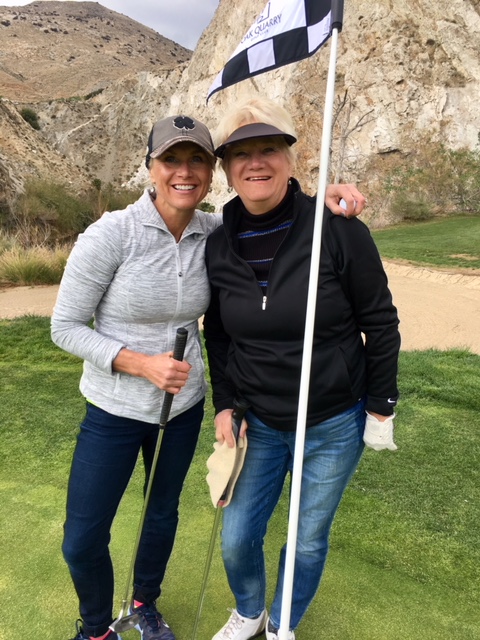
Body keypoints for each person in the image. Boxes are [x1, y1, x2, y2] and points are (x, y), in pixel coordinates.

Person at [51, 112, 365, 640]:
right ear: (151, 167)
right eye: (171, 159)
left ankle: (144, 602)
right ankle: (95, 625)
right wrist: (138, 361)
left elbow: (276, 210)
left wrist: (327, 199)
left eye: (197, 158)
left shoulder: (216, 230)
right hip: (113, 409)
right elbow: (63, 326)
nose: (185, 170)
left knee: (161, 515)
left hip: (183, 410)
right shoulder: (112, 234)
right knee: (82, 538)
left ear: (210, 169)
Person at [203, 98, 401, 640]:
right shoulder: (218, 244)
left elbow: (380, 323)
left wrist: (381, 407)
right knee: (238, 536)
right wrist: (225, 402)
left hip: (335, 421)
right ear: (226, 168)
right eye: (240, 153)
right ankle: (250, 611)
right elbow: (218, 334)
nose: (255, 162)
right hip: (260, 422)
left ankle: (282, 624)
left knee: (307, 536)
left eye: (268, 148)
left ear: (291, 158)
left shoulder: (336, 230)